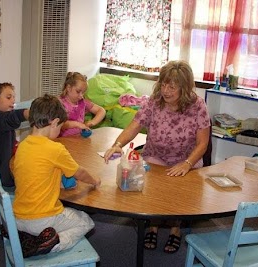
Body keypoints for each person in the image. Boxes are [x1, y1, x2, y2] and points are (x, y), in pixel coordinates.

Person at [103, 60, 211, 253]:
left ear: (184, 88)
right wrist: (117, 144)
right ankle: (152, 226)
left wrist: (187, 164)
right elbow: (135, 126)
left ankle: (175, 230)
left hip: (187, 159)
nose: (166, 90)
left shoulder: (198, 105)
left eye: (172, 86)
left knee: (179, 197)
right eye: (163, 84)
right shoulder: (153, 101)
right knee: (153, 194)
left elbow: (203, 143)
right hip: (156, 155)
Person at [11, 94, 101, 257]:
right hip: (41, 220)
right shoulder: (55, 149)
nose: (60, 131)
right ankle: (52, 243)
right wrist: (94, 181)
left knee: (67, 212)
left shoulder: (23, 145)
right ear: (53, 123)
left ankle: (26, 236)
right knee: (86, 221)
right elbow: (79, 172)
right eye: (60, 127)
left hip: (17, 218)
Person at [59, 71, 106, 136]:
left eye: (83, 92)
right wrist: (77, 124)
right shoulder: (59, 103)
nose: (81, 96)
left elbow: (101, 110)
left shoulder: (82, 102)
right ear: (68, 88)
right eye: (78, 92)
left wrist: (91, 122)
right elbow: (59, 124)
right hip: (63, 140)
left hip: (78, 138)